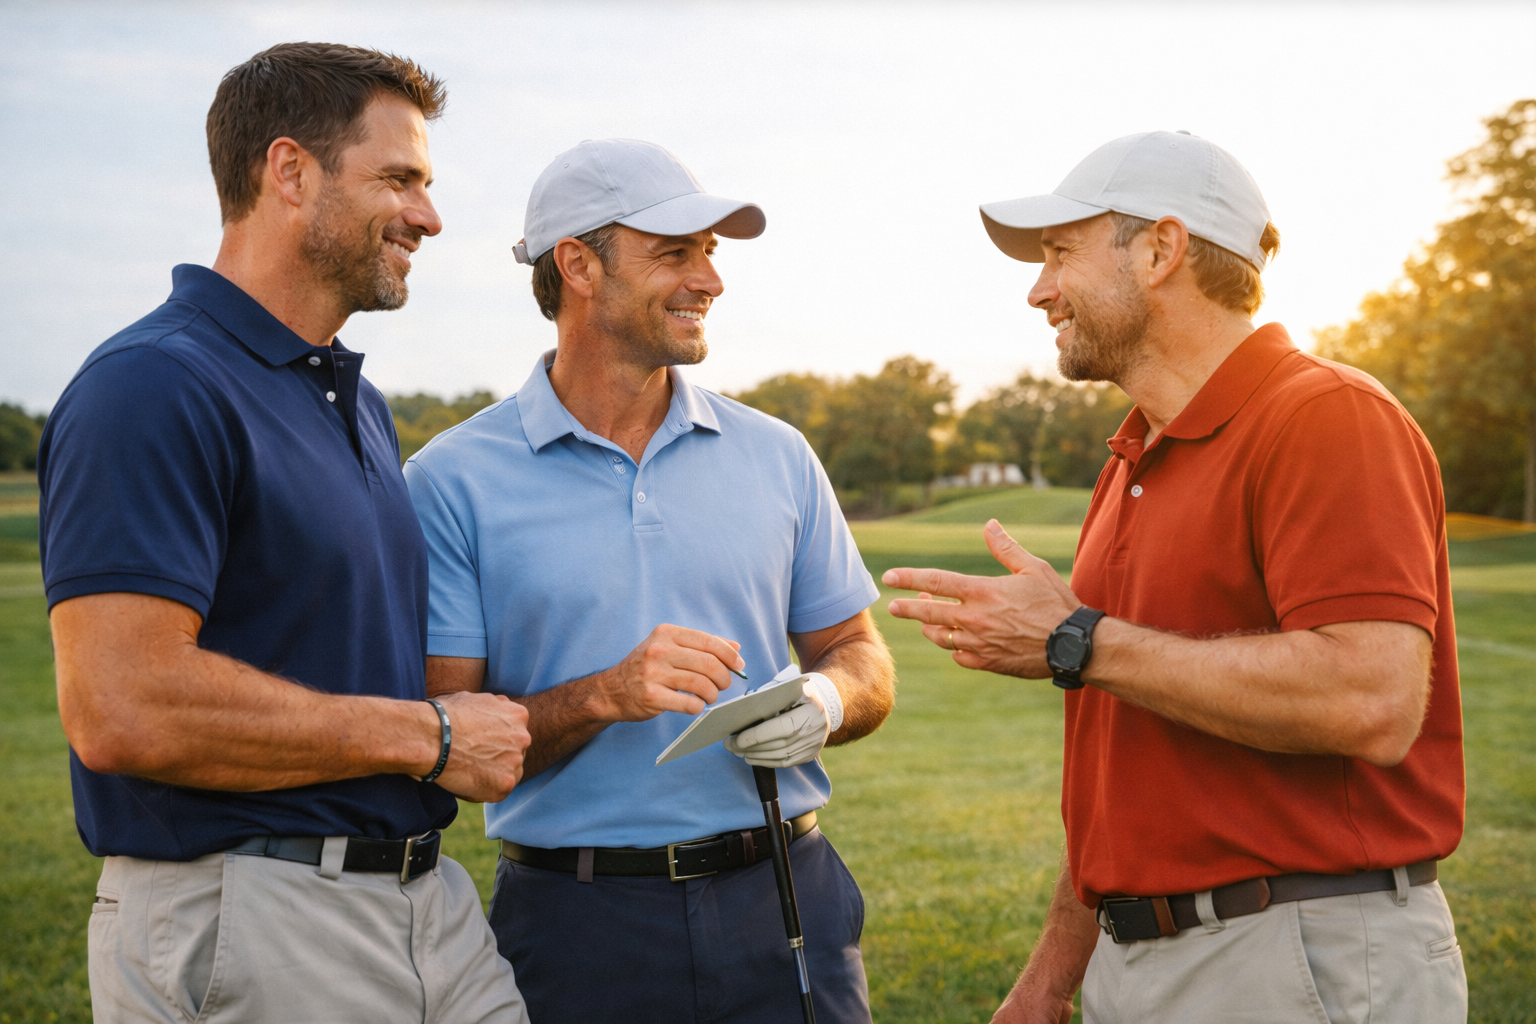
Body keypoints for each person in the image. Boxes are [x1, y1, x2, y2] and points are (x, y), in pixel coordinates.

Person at [882, 132, 1467, 1023]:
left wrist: (1077, 639)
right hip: (1137, 961)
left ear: (1160, 249)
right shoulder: (1129, 458)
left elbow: (1372, 699)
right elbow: (1123, 771)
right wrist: (1051, 978)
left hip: (1300, 957)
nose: (1038, 290)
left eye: (1060, 254)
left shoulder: (1327, 417)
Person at [39, 43, 532, 1024]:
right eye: (400, 179)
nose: (429, 217)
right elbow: (121, 705)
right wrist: (430, 736)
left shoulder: (360, 402)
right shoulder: (153, 384)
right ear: (290, 171)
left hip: (426, 904)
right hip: (257, 916)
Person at [404, 138, 897, 1023]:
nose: (710, 278)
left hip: (788, 895)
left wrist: (825, 701)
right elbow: (448, 747)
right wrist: (604, 695)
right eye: (677, 252)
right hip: (576, 925)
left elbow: (859, 652)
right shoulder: (450, 480)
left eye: (712, 253)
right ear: (578, 264)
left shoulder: (778, 455)